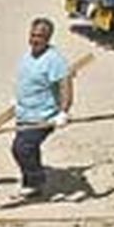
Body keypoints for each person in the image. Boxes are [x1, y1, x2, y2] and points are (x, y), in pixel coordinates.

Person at [10, 17, 73, 199]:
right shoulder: (27, 56)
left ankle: (36, 182)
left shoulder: (54, 60)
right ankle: (32, 184)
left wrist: (63, 112)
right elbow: (26, 80)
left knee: (22, 148)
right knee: (29, 148)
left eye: (40, 36)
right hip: (24, 114)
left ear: (48, 38)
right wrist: (17, 100)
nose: (35, 39)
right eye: (32, 35)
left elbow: (65, 85)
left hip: (43, 117)